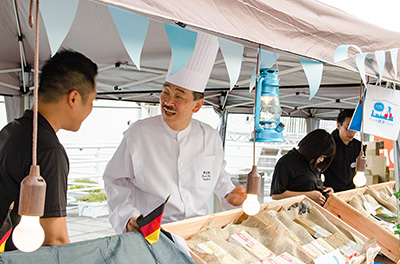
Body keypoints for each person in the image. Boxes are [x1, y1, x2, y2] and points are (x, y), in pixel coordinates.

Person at [103, 31, 247, 234]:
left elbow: (218, 175)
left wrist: (230, 195)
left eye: (179, 97)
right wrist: (128, 217)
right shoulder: (139, 134)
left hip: (199, 231)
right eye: (165, 92)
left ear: (197, 106)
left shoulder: (210, 137)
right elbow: (114, 180)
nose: (168, 102)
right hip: (153, 233)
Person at [0, 50, 98, 251]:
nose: (91, 109)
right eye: (92, 101)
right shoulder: (48, 151)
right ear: (74, 99)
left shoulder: (11, 130)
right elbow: (55, 240)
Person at [270, 129, 336, 206]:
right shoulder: (287, 162)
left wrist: (325, 190)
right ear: (313, 149)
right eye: (321, 156)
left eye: (324, 157)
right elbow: (276, 195)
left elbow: (305, 185)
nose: (322, 160)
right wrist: (307, 195)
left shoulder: (310, 162)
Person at [323, 109, 362, 192]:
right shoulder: (329, 144)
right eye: (347, 127)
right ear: (338, 126)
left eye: (354, 127)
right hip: (330, 191)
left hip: (350, 190)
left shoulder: (358, 146)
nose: (352, 132)